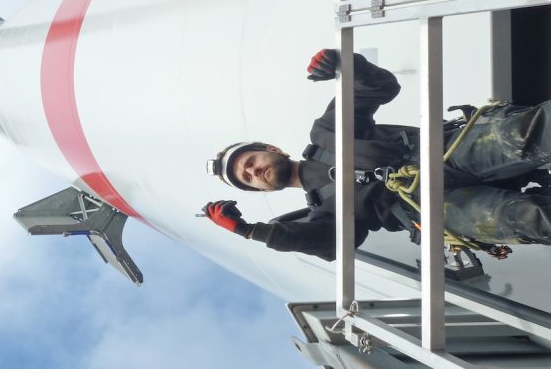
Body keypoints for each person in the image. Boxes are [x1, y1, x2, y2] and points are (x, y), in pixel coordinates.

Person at [201, 48, 551, 262]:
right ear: (263, 193)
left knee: (523, 136)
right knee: (528, 218)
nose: (254, 172)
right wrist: (250, 232)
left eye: (250, 162)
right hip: (431, 209)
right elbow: (328, 243)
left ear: (270, 149)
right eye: (247, 179)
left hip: (441, 152)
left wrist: (342, 62)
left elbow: (377, 87)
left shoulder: (326, 134)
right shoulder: (323, 213)